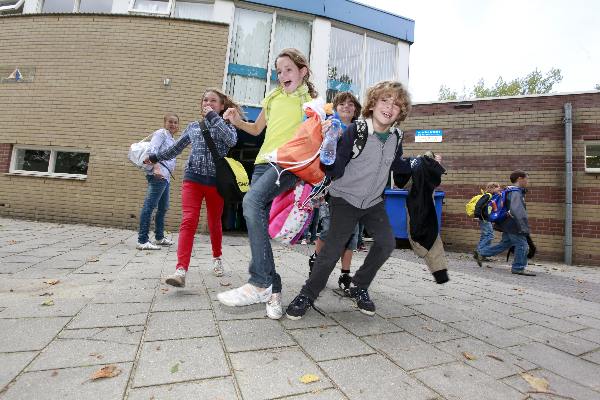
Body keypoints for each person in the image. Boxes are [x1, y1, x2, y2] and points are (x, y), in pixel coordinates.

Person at [285, 80, 413, 320]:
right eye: (385, 100)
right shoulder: (357, 131)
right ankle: (307, 295)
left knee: (386, 243)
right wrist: (329, 151)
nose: (390, 107)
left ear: (401, 111)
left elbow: (397, 166)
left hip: (373, 202)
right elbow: (336, 167)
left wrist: (420, 163)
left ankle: (359, 286)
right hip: (344, 198)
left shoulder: (396, 136)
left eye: (396, 104)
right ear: (373, 104)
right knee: (332, 250)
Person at [216, 48, 318, 319]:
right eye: (279, 71)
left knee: (250, 202)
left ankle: (260, 281)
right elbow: (256, 129)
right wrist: (237, 120)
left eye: (288, 70)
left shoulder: (309, 101)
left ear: (302, 72)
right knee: (254, 213)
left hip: (288, 163)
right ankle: (274, 288)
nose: (282, 75)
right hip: (263, 163)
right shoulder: (273, 97)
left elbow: (318, 135)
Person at [146, 89, 240, 287]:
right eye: (205, 100)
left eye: (213, 101)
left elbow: (231, 141)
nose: (208, 103)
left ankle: (217, 258)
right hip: (193, 179)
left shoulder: (227, 126)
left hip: (216, 183)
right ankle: (181, 270)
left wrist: (214, 117)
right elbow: (175, 149)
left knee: (214, 222)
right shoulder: (193, 127)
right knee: (188, 220)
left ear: (222, 105)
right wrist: (154, 157)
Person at [307, 91, 363, 292]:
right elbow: (322, 153)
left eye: (350, 104)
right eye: (342, 104)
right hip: (334, 187)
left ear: (355, 109)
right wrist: (328, 133)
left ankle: (345, 275)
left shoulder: (362, 131)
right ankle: (317, 262)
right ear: (336, 108)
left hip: (356, 190)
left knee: (352, 234)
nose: (346, 107)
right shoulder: (331, 125)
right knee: (329, 228)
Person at [474, 170, 535, 276]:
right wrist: (523, 226)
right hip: (514, 224)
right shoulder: (515, 192)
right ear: (520, 179)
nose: (528, 181)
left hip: (507, 224)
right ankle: (518, 267)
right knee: (522, 245)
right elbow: (517, 210)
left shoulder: (508, 190)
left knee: (504, 244)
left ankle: (481, 253)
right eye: (526, 178)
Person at [136, 113, 179, 250]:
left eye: (175, 122)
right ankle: (142, 240)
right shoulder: (161, 133)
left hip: (165, 177)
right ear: (164, 123)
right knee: (149, 206)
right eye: (170, 122)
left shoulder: (171, 138)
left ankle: (159, 237)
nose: (172, 125)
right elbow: (152, 151)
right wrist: (156, 168)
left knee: (163, 208)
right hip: (158, 176)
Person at [474, 182, 502, 262]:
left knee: (485, 235)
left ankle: (482, 255)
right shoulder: (487, 195)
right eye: (497, 187)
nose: (499, 189)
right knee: (489, 235)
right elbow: (478, 205)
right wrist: (477, 215)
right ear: (492, 188)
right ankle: (479, 252)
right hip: (484, 218)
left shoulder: (492, 196)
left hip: (486, 218)